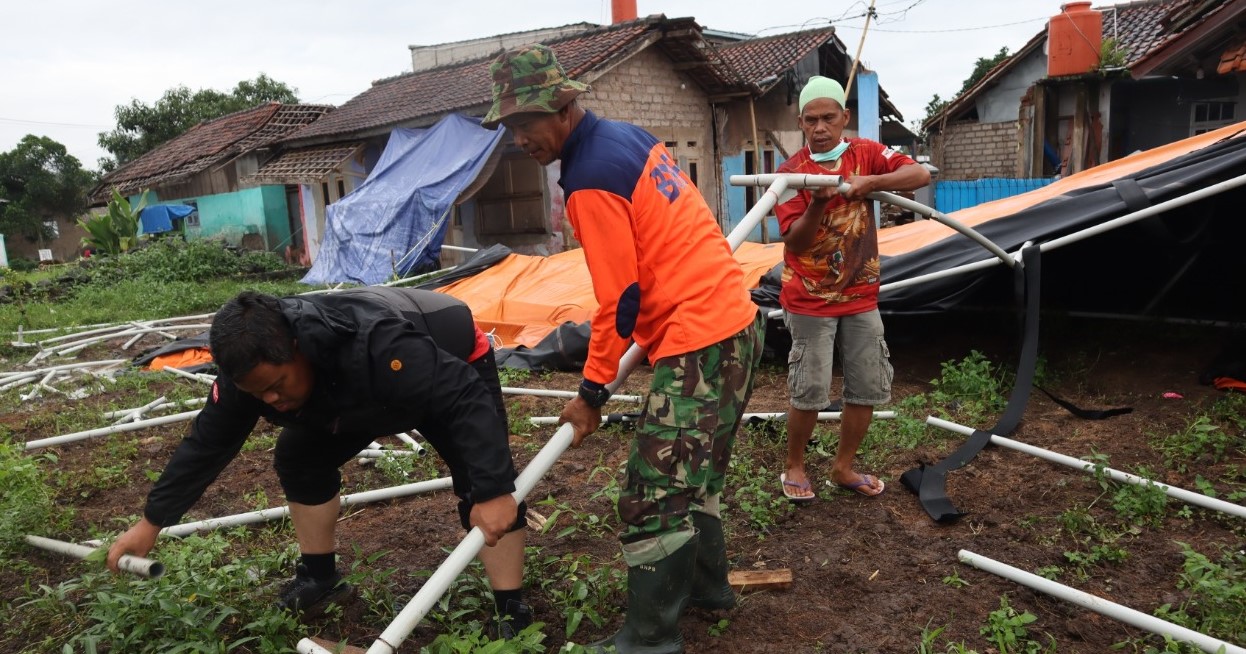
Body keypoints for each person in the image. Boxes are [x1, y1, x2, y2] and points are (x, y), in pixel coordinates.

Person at [483, 44, 764, 654]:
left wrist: (589, 394)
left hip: (701, 341)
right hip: (735, 322)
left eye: (526, 123)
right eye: (509, 127)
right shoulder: (625, 137)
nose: (519, 139)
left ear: (563, 106)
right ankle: (709, 590)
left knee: (650, 495)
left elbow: (620, 303)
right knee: (696, 478)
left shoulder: (590, 179)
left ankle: (649, 639)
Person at [106, 287, 535, 637]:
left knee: (482, 476)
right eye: (258, 395)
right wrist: (151, 522)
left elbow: (462, 395)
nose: (270, 400)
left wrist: (495, 489)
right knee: (299, 456)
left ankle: (511, 611)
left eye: (276, 385)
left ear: (297, 348)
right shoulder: (249, 375)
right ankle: (319, 579)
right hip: (352, 392)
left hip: (446, 355)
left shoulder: (377, 343)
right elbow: (206, 445)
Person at [775, 76, 930, 502]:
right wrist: (821, 201)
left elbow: (918, 174)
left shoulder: (865, 154)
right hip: (810, 297)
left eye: (829, 117)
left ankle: (843, 469)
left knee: (866, 384)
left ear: (845, 117)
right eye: (811, 120)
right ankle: (795, 466)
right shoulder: (791, 174)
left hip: (860, 294)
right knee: (809, 389)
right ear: (801, 123)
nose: (820, 127)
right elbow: (797, 241)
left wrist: (873, 183)